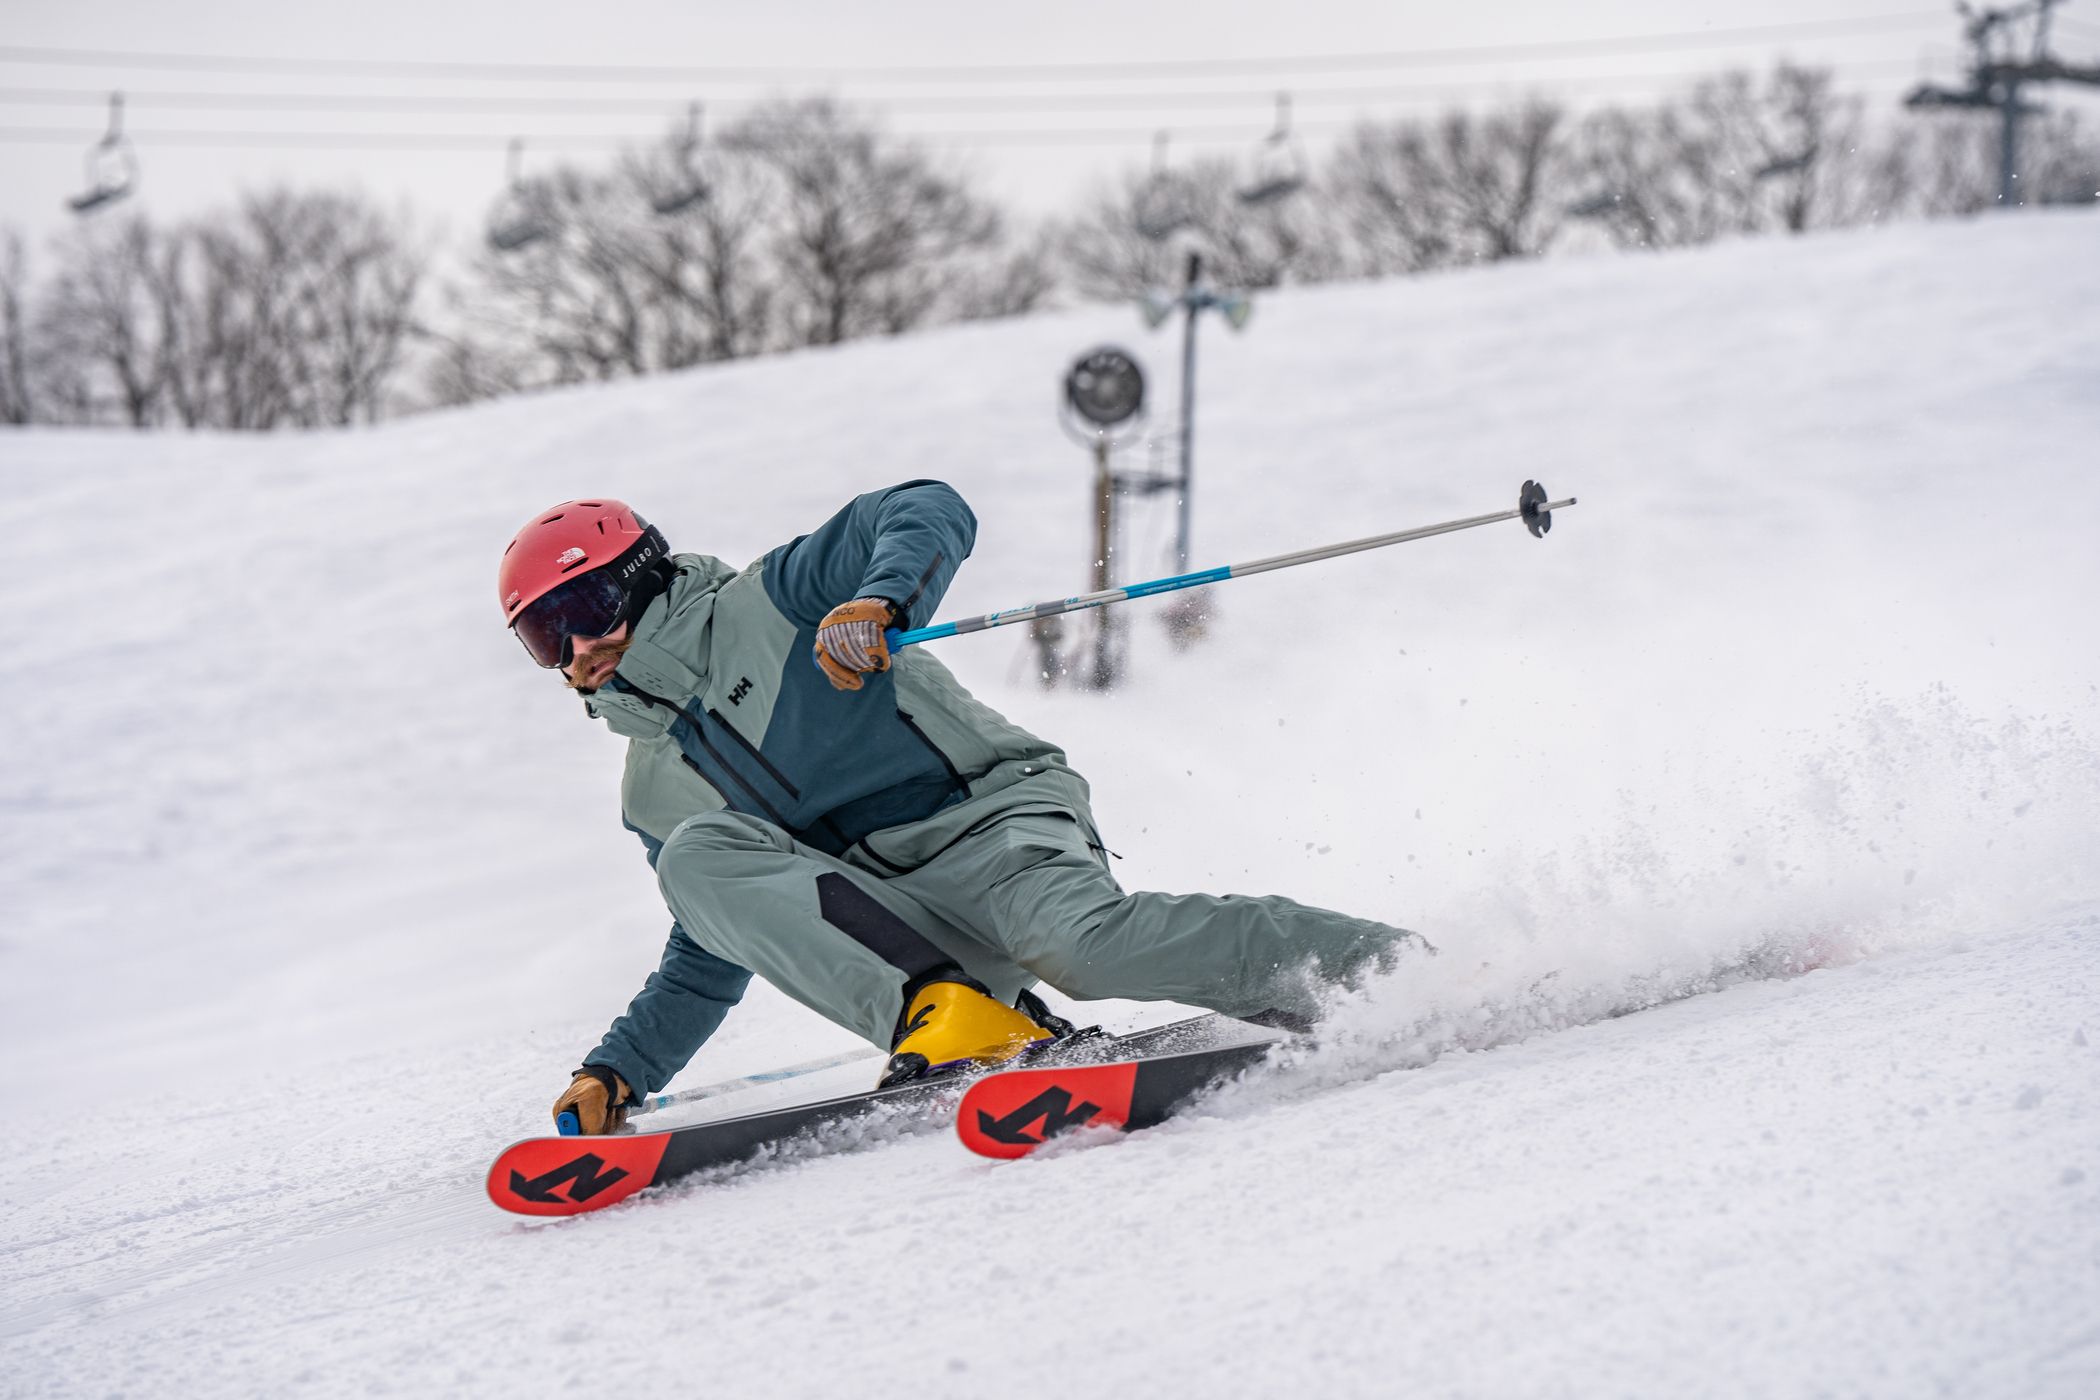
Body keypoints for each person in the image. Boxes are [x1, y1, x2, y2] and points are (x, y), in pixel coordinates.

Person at [498, 484, 1422, 1135]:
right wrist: (620, 1069)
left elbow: (928, 504)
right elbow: (715, 942)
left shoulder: (773, 599)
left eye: (584, 606)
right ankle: (957, 1010)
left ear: (641, 574)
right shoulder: (650, 788)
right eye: (545, 634)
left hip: (990, 823)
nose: (575, 647)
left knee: (1085, 951)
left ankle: (1390, 969)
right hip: (897, 924)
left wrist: (877, 596)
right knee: (697, 859)